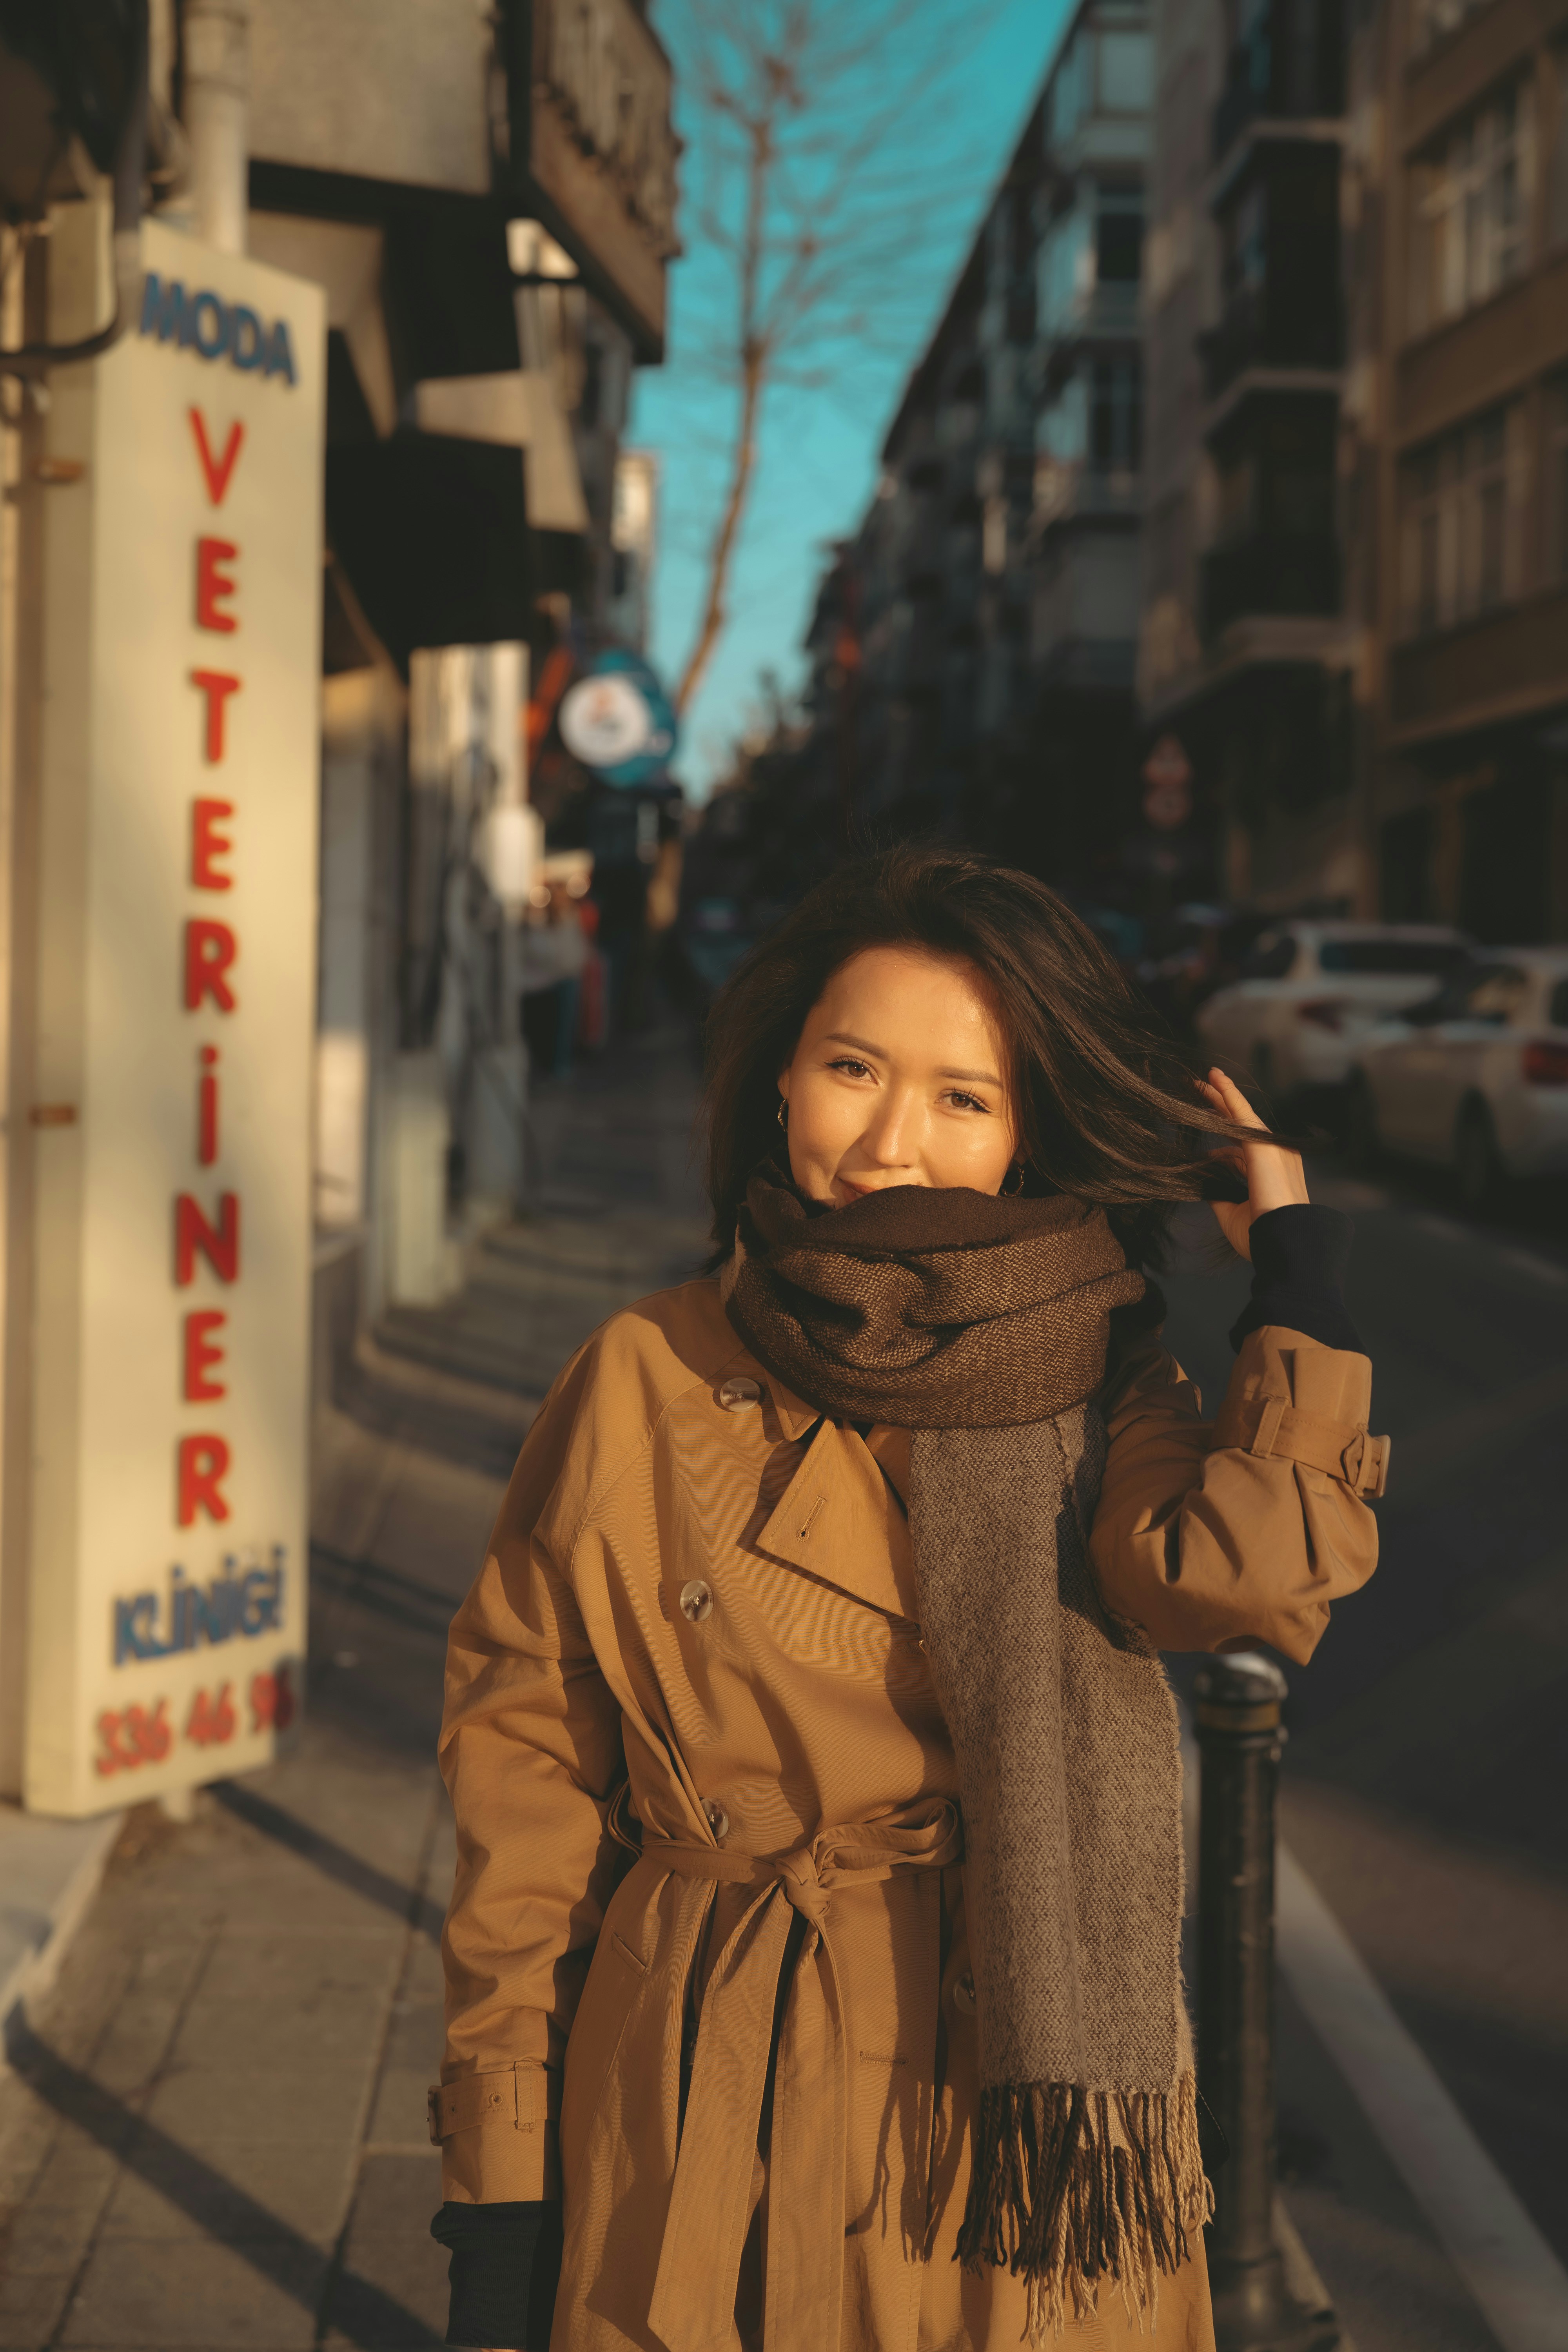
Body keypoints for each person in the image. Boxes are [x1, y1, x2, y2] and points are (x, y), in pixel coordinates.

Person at [428, 849, 1385, 2352]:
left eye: (965, 1097)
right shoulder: (645, 1370)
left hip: (1008, 2108)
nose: (892, 1142)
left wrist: (1296, 1273)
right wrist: (498, 2185)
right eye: (853, 1069)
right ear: (782, 1081)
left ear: (1025, 1137)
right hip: (694, 2092)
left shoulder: (1104, 1381)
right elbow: (525, 1764)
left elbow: (1246, 1577)